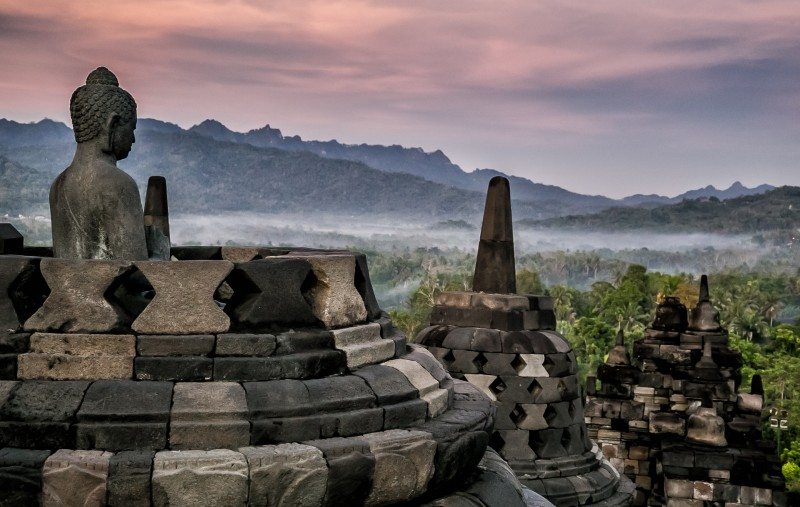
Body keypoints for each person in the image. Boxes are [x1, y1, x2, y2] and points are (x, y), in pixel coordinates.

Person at [49, 67, 148, 260]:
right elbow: (139, 274)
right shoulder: (118, 185)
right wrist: (160, 249)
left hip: (65, 290)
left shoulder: (57, 186)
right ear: (112, 125)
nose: (133, 139)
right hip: (107, 291)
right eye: (132, 128)